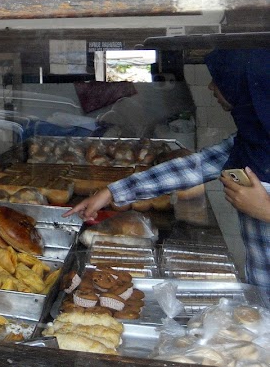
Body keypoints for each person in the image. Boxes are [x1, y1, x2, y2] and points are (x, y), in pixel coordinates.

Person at [65, 48, 270, 300]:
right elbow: (193, 167)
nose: (210, 87)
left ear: (242, 84)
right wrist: (111, 192)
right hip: (262, 289)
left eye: (218, 79)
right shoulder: (253, 142)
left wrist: (265, 211)